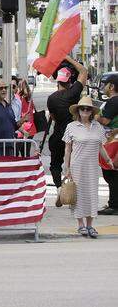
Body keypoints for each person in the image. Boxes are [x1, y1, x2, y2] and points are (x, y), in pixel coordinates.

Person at [64, 95, 115, 238]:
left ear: (92, 112)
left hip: (92, 166)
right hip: (77, 166)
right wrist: (66, 168)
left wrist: (108, 159)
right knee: (78, 195)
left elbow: (101, 146)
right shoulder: (71, 127)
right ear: (78, 111)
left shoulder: (97, 126)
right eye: (82, 109)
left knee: (92, 194)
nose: (85, 111)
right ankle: (81, 225)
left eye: (88, 109)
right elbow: (67, 149)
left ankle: (90, 225)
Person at [47, 57, 88, 187]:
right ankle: (73, 188)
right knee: (75, 163)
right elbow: (83, 72)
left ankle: (59, 188)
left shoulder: (51, 98)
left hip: (58, 134)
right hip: (74, 135)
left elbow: (53, 117)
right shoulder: (73, 93)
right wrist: (68, 58)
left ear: (58, 81)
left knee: (55, 164)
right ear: (69, 81)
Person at [98, 73, 118, 215]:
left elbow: (105, 121)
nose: (103, 87)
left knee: (111, 173)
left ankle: (114, 205)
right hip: (112, 140)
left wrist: (94, 115)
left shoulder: (113, 101)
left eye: (106, 84)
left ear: (111, 87)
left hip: (113, 142)